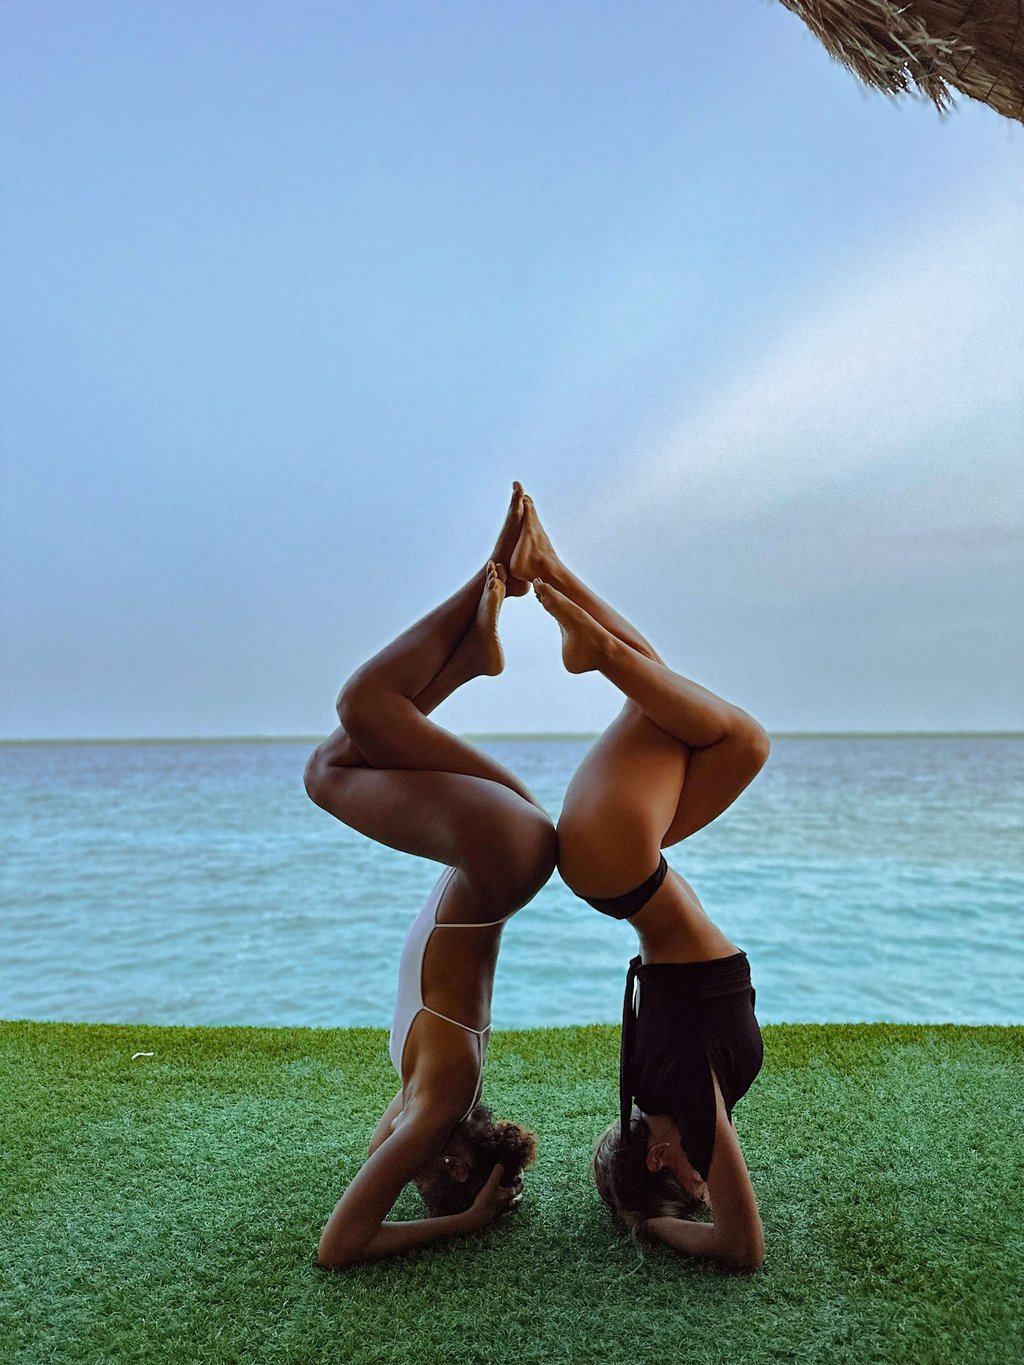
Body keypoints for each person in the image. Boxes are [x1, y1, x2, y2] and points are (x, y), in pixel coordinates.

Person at [510, 493, 769, 1273]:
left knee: (740, 737)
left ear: (660, 1158)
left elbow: (741, 1248)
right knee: (719, 738)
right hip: (620, 866)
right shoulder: (679, 1091)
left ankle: (595, 645)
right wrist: (648, 1210)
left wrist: (650, 1226)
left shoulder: (682, 1098)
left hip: (618, 862)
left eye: (690, 1185)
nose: (707, 1183)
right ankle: (549, 571)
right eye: (702, 1187)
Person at [304, 485, 557, 1268]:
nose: (405, 1177)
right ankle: (491, 579)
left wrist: (469, 1191)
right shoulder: (442, 1098)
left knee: (339, 754)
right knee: (362, 707)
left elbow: (384, 1150)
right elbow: (340, 1246)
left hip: (508, 848)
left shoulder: (429, 1101)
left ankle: (476, 651)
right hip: (499, 854)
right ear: (448, 1160)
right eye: (427, 1184)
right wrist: (466, 1221)